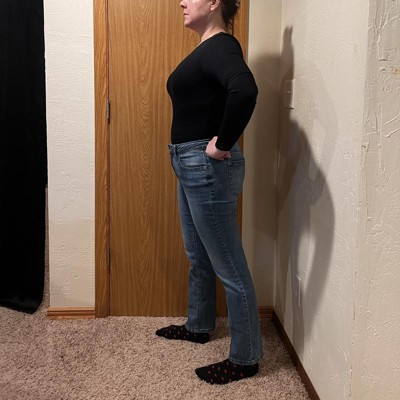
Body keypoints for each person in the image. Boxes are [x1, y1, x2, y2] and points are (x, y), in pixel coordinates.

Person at [156, 0, 263, 384]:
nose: (182, 2)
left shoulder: (220, 46)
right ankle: (199, 325)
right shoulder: (207, 48)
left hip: (206, 167)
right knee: (197, 254)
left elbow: (244, 90)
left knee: (229, 265)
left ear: (215, 2)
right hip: (191, 164)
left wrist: (222, 143)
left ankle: (246, 358)